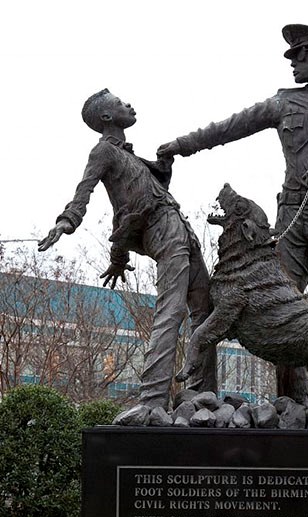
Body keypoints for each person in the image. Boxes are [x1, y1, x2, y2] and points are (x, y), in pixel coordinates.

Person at [157, 24, 308, 403]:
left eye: (300, 56)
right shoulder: (284, 102)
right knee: (281, 308)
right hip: (292, 218)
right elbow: (231, 126)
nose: (293, 64)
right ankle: (292, 404)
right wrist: (183, 145)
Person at [39, 89, 216, 420]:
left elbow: (140, 194)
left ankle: (201, 392)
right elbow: (84, 191)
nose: (129, 105)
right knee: (171, 309)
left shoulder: (132, 156)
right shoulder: (103, 151)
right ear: (107, 117)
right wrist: (66, 221)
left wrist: (163, 166)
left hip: (181, 229)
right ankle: (153, 397)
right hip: (163, 230)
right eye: (121, 104)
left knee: (205, 311)